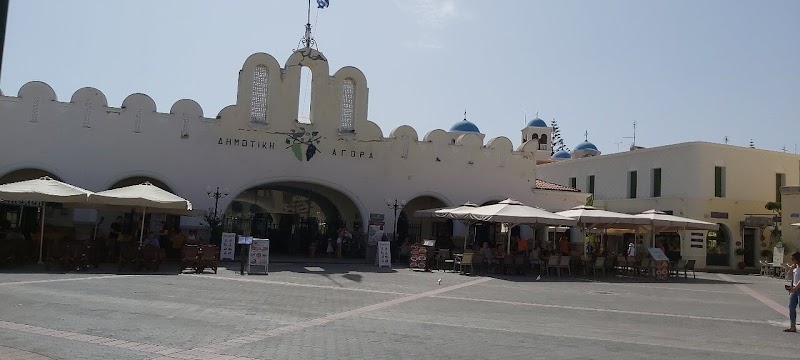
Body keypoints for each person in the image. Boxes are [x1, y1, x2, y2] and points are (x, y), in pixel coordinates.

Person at [785, 252, 800, 332]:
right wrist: (791, 268)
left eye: (793, 259)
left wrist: (795, 288)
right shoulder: (795, 268)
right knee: (791, 306)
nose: (792, 261)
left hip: (798, 289)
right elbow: (788, 276)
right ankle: (792, 326)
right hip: (794, 289)